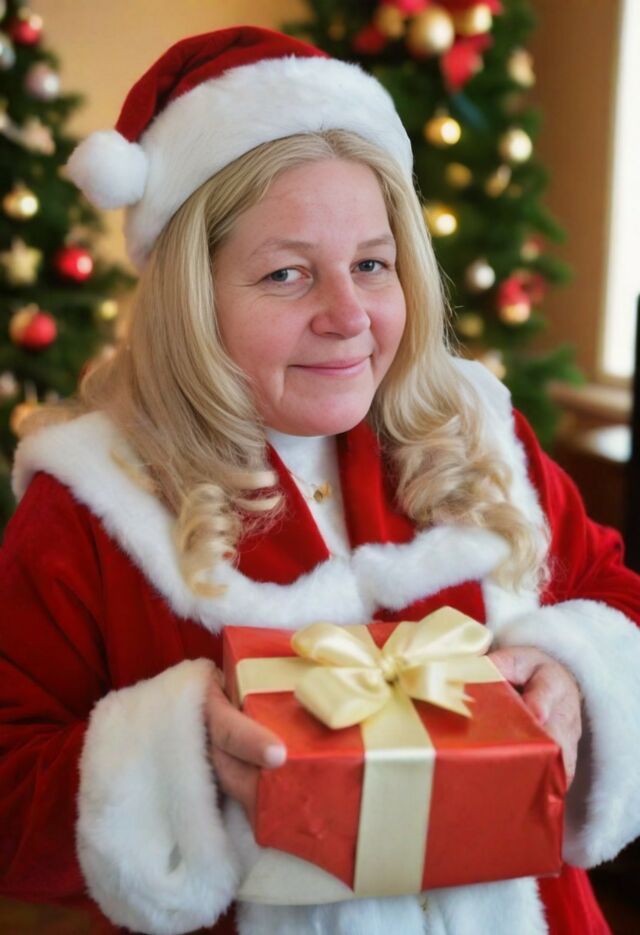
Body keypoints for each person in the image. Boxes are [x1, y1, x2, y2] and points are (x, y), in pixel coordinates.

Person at [1, 24, 639, 935]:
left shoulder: (479, 433)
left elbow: (614, 595)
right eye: (287, 274)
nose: (348, 315)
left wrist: (577, 674)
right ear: (191, 297)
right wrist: (178, 762)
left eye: (372, 264)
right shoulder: (92, 500)